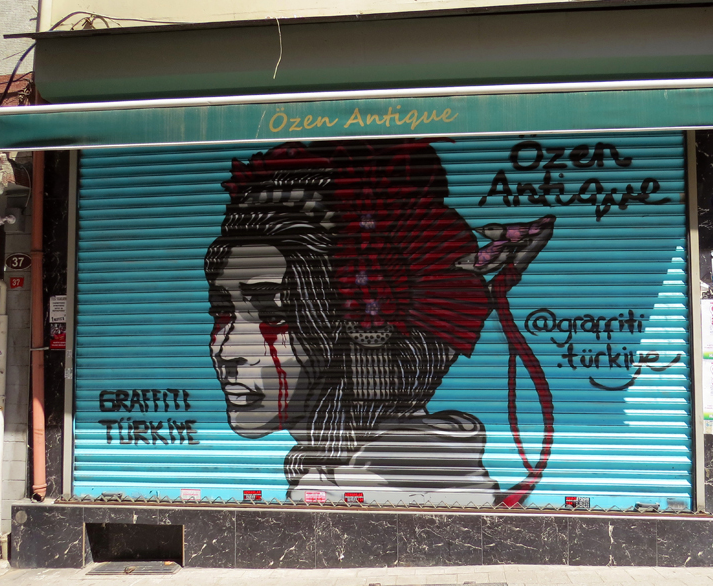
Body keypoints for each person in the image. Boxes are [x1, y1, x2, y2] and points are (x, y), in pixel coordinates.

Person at [205, 140, 554, 506]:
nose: (226, 351)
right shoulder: (332, 469)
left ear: (348, 332)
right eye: (220, 313)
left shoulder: (386, 481)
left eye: (274, 315)